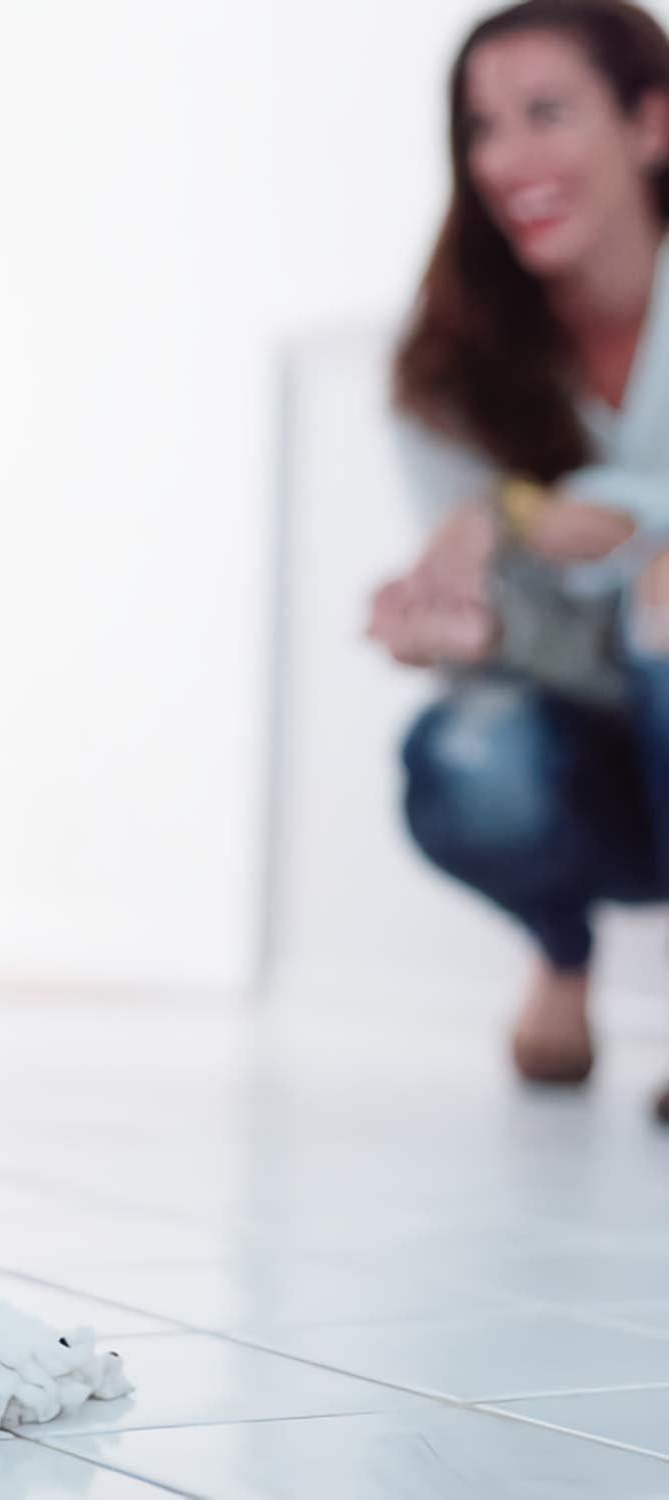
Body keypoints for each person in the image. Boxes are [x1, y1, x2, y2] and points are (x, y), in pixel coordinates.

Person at [372, 0, 669, 1107]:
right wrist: (478, 624)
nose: (504, 161)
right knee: (466, 753)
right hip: (589, 740)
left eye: (545, 112)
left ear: (651, 124)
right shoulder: (450, 366)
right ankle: (560, 945)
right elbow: (529, 638)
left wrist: (541, 514)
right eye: (481, 127)